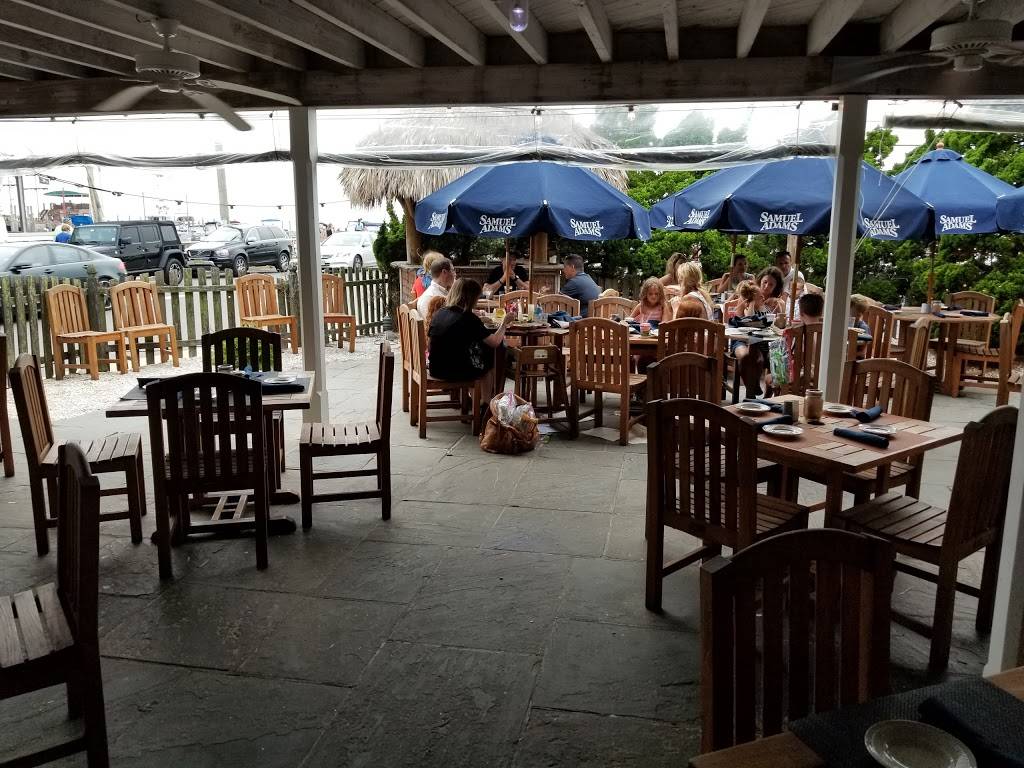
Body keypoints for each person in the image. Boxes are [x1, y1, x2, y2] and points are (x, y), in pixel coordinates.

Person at [428, 278, 511, 388]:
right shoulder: (468, 318)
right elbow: (495, 342)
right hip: (453, 371)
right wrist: (504, 323)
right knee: (488, 360)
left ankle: (470, 397)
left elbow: (430, 344)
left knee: (478, 353)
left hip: (435, 368)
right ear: (471, 299)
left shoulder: (440, 313)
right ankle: (486, 398)